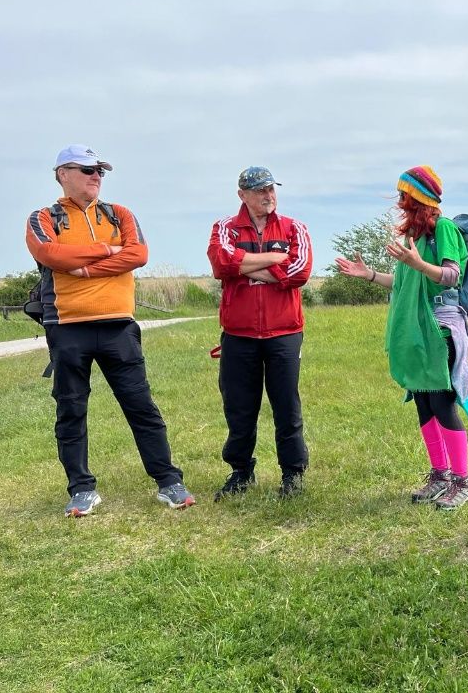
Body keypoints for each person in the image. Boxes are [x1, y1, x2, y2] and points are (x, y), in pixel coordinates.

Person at [25, 144, 195, 517]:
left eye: (99, 170)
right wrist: (107, 249)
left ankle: (169, 481)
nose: (96, 177)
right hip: (68, 328)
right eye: (87, 170)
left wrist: (85, 267)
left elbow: (138, 255)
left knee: (141, 406)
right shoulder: (45, 216)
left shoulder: (120, 213)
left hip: (119, 326)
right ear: (62, 174)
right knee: (71, 410)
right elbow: (49, 255)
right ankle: (81, 489)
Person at [335, 166, 468, 510]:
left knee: (442, 404)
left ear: (419, 198)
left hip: (439, 327)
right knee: (424, 406)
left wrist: (417, 263)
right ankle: (439, 475)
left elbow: (450, 276)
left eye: (403, 196)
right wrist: (367, 274)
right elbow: (402, 284)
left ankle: (463, 481)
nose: (399, 202)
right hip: (414, 329)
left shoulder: (443, 229)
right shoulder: (414, 235)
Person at [207, 167, 313, 500]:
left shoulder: (295, 227)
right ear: (242, 195)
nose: (267, 195)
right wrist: (272, 260)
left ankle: (292, 474)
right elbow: (221, 263)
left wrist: (248, 269)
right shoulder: (225, 227)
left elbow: (299, 271)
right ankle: (241, 471)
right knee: (239, 406)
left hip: (284, 333)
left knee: (286, 405)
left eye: (270, 188)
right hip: (239, 335)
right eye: (258, 190)